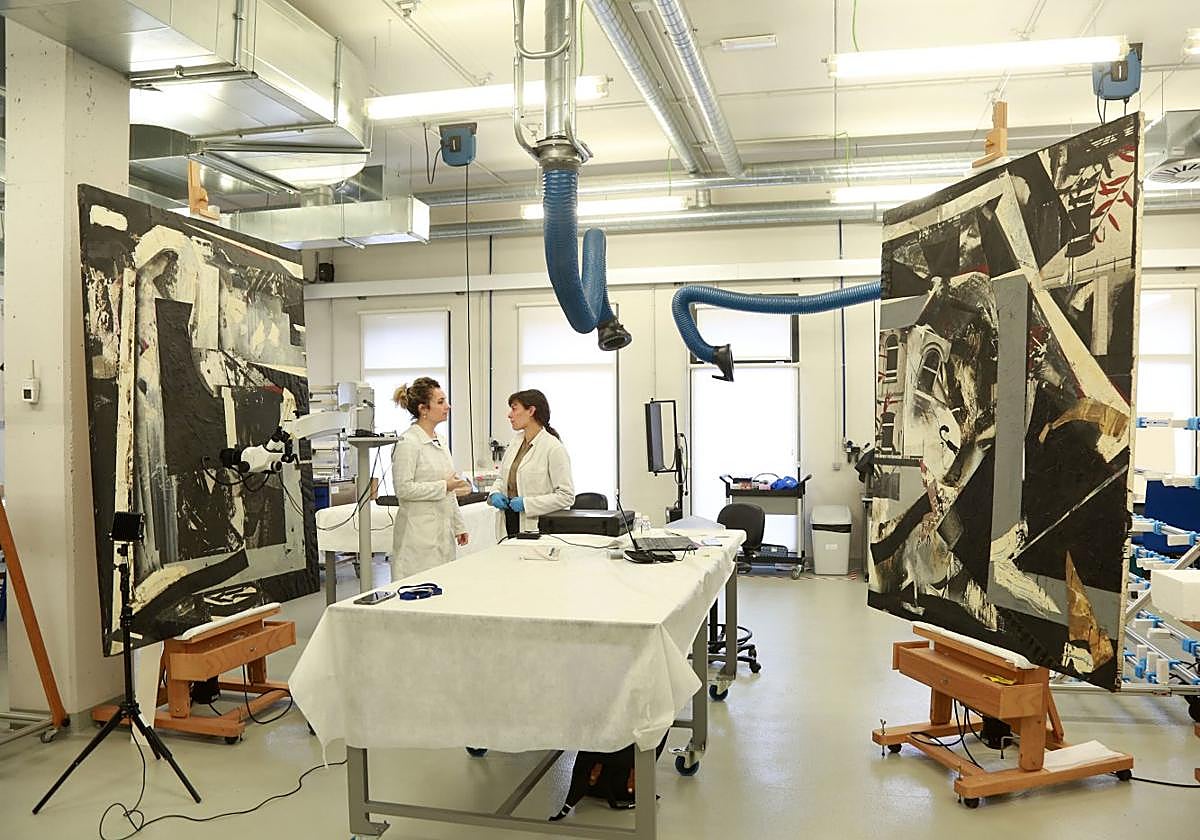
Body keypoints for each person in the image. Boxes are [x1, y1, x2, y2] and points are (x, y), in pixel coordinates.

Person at [390, 377, 471, 580]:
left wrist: (458, 525)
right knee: (417, 587)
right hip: (417, 536)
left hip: (442, 534)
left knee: (443, 586)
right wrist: (444, 486)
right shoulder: (408, 443)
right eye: (441, 402)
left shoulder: (441, 441)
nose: (447, 406)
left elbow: (449, 489)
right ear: (423, 409)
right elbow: (403, 489)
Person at [488, 389, 575, 537]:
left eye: (514, 409)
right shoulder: (515, 443)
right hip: (509, 520)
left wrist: (527, 504)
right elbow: (502, 478)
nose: (509, 415)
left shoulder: (553, 448)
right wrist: (495, 493)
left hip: (537, 526)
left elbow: (566, 496)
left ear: (531, 411)